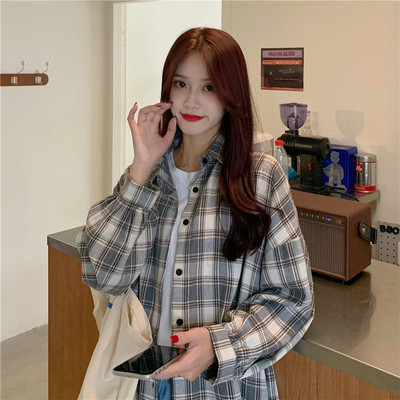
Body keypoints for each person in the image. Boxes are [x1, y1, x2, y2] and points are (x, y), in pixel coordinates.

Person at [77, 27, 314, 400]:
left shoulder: (261, 177)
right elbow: (104, 275)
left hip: (222, 388)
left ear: (231, 95)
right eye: (181, 84)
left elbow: (293, 299)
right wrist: (140, 169)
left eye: (209, 87)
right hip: (145, 386)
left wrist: (221, 346)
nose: (191, 101)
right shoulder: (148, 173)